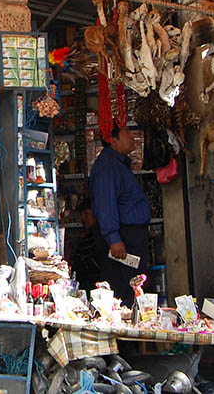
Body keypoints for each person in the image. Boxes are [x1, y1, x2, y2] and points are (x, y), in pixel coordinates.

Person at [90, 121, 151, 304]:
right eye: (126, 133)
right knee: (125, 287)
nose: (132, 137)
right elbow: (105, 203)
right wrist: (114, 238)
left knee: (135, 285)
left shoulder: (117, 164)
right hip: (123, 238)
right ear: (112, 140)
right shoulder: (108, 166)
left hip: (130, 236)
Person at [70, 199, 108, 292]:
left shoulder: (96, 237)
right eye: (81, 214)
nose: (83, 218)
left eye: (86, 214)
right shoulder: (89, 236)